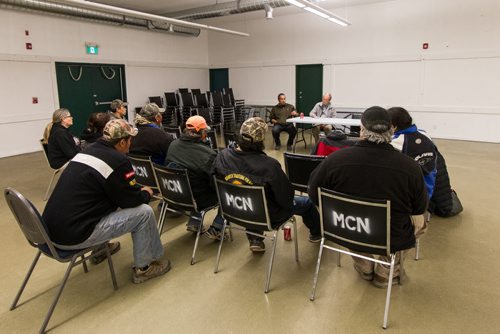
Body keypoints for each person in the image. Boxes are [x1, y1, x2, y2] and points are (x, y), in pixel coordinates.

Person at [308, 106, 428, 288]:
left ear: (362, 129)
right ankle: (386, 271)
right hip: (391, 235)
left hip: (346, 228)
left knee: (355, 221)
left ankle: (364, 265)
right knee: (422, 221)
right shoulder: (410, 167)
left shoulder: (334, 160)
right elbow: (419, 207)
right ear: (392, 130)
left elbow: (313, 192)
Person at [42, 119, 170, 284]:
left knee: (102, 199)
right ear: (122, 142)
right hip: (74, 236)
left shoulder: (87, 150)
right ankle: (145, 268)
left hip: (50, 231)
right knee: (144, 213)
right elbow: (130, 201)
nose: (131, 143)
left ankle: (100, 250)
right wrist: (145, 194)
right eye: (130, 140)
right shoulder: (118, 161)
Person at [213, 117, 322, 252]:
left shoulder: (222, 156)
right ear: (262, 140)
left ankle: (255, 239)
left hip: (233, 209)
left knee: (255, 201)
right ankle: (317, 234)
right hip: (266, 215)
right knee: (306, 203)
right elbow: (286, 198)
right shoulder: (269, 165)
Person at [165, 115, 225, 240]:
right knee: (226, 191)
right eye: (205, 131)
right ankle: (217, 227)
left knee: (192, 181)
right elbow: (216, 182)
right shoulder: (208, 154)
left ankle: (195, 221)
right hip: (198, 199)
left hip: (173, 194)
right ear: (202, 133)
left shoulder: (173, 144)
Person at [388, 107, 437, 198]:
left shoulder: (396, 142)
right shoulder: (424, 134)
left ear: (393, 127)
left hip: (415, 196)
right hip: (430, 189)